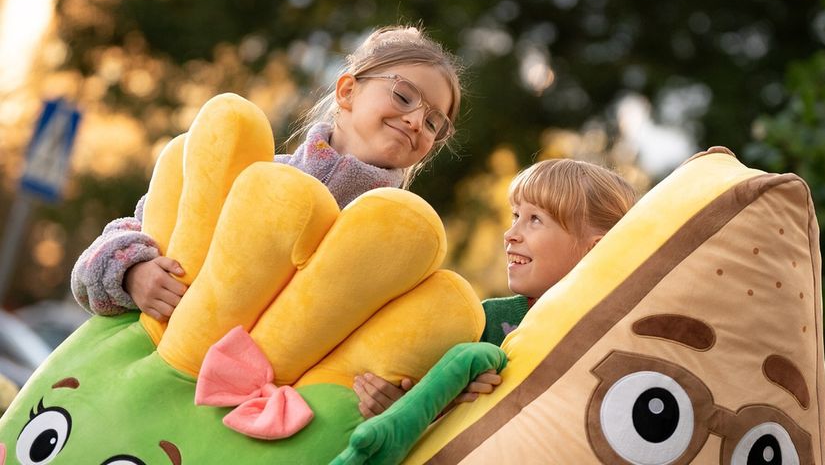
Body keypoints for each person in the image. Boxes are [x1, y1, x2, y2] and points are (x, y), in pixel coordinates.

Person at [71, 25, 464, 322]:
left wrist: (385, 390)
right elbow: (107, 250)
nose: (416, 121)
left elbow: (386, 341)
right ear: (347, 92)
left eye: (434, 122)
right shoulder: (250, 174)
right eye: (404, 95)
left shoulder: (398, 246)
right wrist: (132, 272)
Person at [353, 158, 636, 417]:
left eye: (535, 219)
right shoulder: (482, 323)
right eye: (515, 216)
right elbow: (422, 411)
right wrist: (408, 408)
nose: (510, 234)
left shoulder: (621, 339)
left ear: (595, 251)